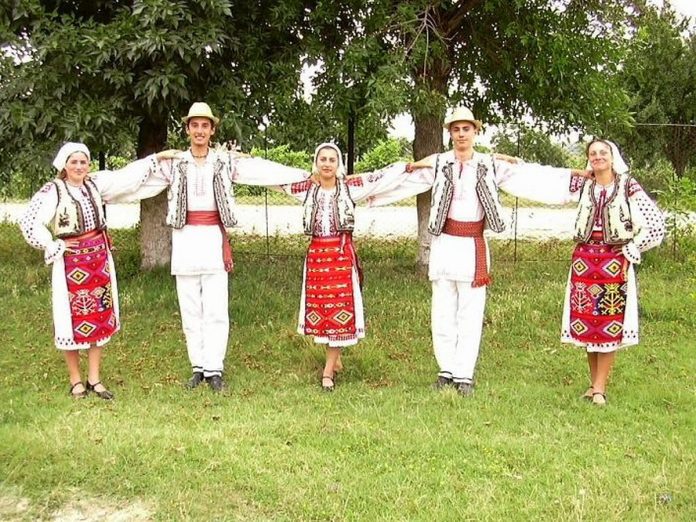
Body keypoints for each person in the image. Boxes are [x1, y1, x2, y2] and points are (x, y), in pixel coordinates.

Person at [401, 107, 590, 396]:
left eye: (466, 129)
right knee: (442, 311)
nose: (461, 134)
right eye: (456, 129)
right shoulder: (439, 163)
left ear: (475, 132)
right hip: (444, 245)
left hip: (473, 246)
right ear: (449, 133)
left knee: (470, 312)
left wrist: (576, 177)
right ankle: (446, 370)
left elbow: (532, 177)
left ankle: (464, 374)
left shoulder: (491, 164)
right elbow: (406, 175)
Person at [123, 102, 311, 392]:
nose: (200, 131)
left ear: (212, 130)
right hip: (185, 240)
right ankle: (197, 366)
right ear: (187, 129)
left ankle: (215, 369)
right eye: (194, 125)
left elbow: (261, 171)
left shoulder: (224, 161)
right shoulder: (174, 163)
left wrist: (303, 174)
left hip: (212, 238)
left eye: (205, 126)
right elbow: (134, 179)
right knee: (190, 308)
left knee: (216, 308)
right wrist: (154, 158)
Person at [19, 142, 163, 399]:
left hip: (98, 259)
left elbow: (126, 178)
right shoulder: (54, 190)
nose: (79, 166)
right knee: (70, 320)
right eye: (73, 162)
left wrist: (158, 158)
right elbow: (30, 220)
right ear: (64, 165)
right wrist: (54, 244)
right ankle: (75, 380)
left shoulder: (94, 184)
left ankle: (94, 379)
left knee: (99, 317)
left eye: (83, 162)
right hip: (71, 263)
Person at [276, 143, 417, 391]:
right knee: (321, 314)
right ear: (316, 162)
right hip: (317, 258)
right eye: (323, 159)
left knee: (339, 314)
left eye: (332, 159)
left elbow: (380, 178)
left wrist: (407, 167)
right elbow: (276, 178)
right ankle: (335, 358)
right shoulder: (307, 188)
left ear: (338, 164)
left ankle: (328, 372)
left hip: (340, 257)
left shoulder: (350, 187)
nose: (327, 164)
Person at [560, 139, 664, 406]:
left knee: (607, 322)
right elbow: (549, 184)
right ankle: (594, 384)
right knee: (586, 321)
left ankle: (600, 388)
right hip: (584, 260)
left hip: (613, 261)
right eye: (592, 153)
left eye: (602, 152)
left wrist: (633, 248)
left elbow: (654, 223)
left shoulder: (627, 185)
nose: (597, 157)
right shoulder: (583, 184)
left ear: (612, 156)